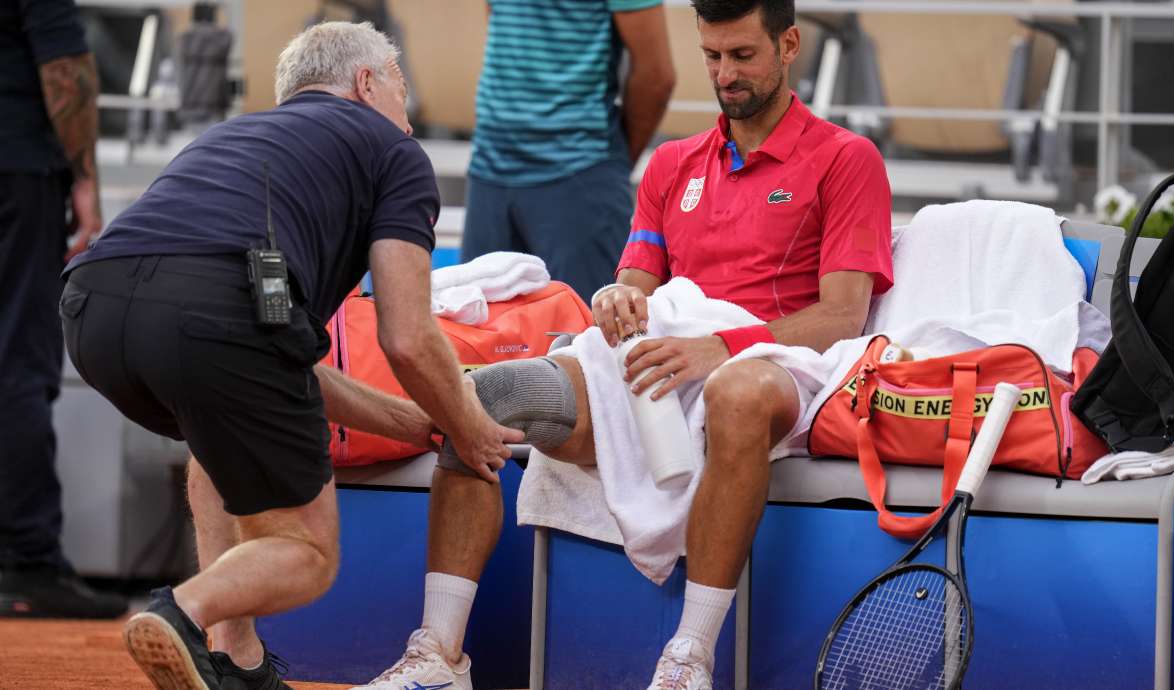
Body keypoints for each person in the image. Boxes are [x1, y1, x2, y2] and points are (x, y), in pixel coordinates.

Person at [355, 1, 894, 689]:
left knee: (736, 391)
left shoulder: (847, 159)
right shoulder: (672, 164)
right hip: (663, 366)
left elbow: (843, 317)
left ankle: (687, 660)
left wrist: (720, 347)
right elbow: (637, 283)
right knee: (487, 395)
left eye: (742, 56)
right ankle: (438, 655)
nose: (724, 75)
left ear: (789, 45)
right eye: (712, 56)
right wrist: (616, 298)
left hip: (774, 365)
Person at [60, 21, 523, 690]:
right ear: (366, 83)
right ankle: (183, 610)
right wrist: (468, 422)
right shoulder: (393, 153)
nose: (407, 111)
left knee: (215, 433)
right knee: (307, 554)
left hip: (93, 317)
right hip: (215, 314)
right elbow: (409, 337)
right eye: (400, 86)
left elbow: (274, 366)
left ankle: (234, 660)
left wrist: (418, 422)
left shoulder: (230, 138)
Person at [0, 0, 129, 620]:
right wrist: (85, 178)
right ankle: (27, 561)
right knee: (18, 362)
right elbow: (63, 66)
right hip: (16, 167)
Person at [460, 0, 676, 303]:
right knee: (475, 333)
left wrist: (606, 163)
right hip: (490, 165)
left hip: (578, 169)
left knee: (585, 338)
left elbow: (656, 77)